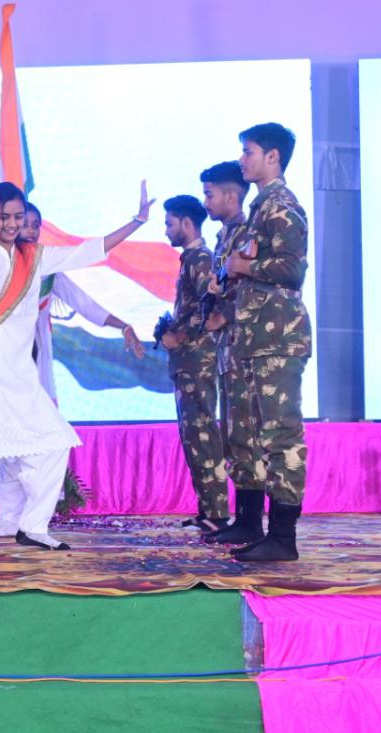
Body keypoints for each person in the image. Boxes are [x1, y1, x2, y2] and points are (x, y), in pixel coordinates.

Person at [0, 180, 155, 552]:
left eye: (18, 217)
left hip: (20, 374)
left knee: (54, 443)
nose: (12, 224)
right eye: (4, 217)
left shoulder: (35, 257)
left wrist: (137, 221)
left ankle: (32, 526)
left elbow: (88, 251)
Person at [217, 123, 312, 562]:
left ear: (273, 157)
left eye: (248, 151)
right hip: (257, 338)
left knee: (281, 435)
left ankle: (284, 538)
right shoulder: (260, 209)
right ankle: (255, 524)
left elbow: (293, 270)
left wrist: (244, 267)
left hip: (278, 339)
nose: (242, 160)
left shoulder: (282, 206)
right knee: (255, 434)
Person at [197, 161, 265, 546]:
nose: (206, 202)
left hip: (245, 345)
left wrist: (224, 312)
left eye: (210, 195)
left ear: (231, 196)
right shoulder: (226, 235)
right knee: (236, 435)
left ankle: (252, 522)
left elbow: (253, 288)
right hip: (228, 348)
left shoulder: (247, 232)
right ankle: (244, 520)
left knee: (247, 434)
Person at [158, 195, 229, 533]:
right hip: (188, 361)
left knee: (202, 433)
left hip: (197, 359)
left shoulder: (200, 258)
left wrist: (181, 336)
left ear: (187, 223)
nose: (166, 230)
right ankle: (208, 510)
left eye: (169, 223)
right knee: (193, 435)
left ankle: (217, 513)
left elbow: (209, 305)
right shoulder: (191, 258)